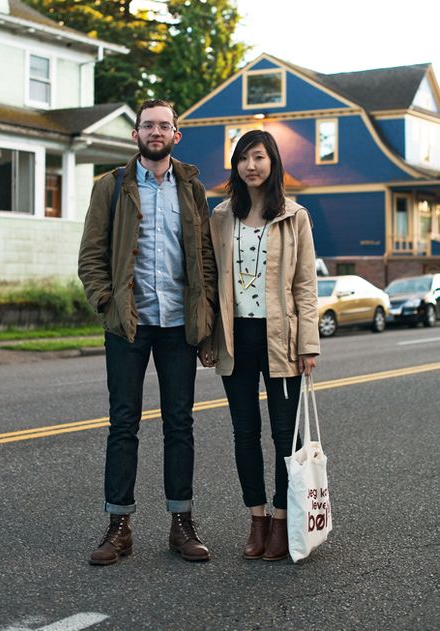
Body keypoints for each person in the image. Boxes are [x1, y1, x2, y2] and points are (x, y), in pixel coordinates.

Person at [78, 99, 216, 565]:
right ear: (135, 134)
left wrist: (206, 317)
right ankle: (118, 527)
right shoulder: (111, 187)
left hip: (179, 324)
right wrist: (106, 303)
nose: (156, 132)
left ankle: (182, 524)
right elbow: (90, 256)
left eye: (164, 126)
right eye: (148, 125)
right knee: (123, 425)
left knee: (180, 425)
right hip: (128, 325)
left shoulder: (192, 189)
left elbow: (205, 259)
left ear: (177, 135)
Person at [200, 129, 320, 561]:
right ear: (235, 166)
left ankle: (285, 521)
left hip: (282, 339)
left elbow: (306, 286)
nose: (251, 166)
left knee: (285, 435)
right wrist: (209, 337)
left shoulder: (294, 216)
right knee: (244, 432)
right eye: (243, 158)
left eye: (259, 157)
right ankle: (257, 519)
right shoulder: (221, 216)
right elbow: (211, 285)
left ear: (272, 164)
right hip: (236, 337)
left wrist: (309, 344)